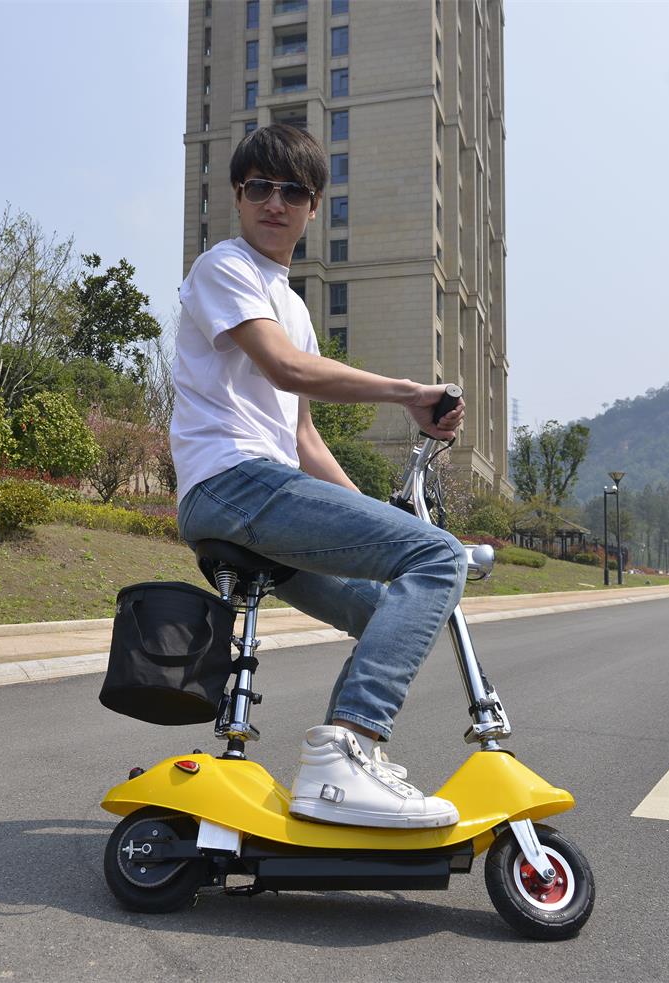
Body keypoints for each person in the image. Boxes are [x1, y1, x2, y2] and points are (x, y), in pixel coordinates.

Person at [170, 124, 467, 830]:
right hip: (233, 484)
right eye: (260, 188)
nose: (275, 203)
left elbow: (301, 436)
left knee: (381, 610)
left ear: (314, 207)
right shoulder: (225, 267)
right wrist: (406, 391)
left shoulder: (295, 304)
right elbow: (285, 369)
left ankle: (344, 766)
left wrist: (374, 515)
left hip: (267, 491)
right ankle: (348, 747)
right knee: (440, 556)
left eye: (292, 191)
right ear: (238, 198)